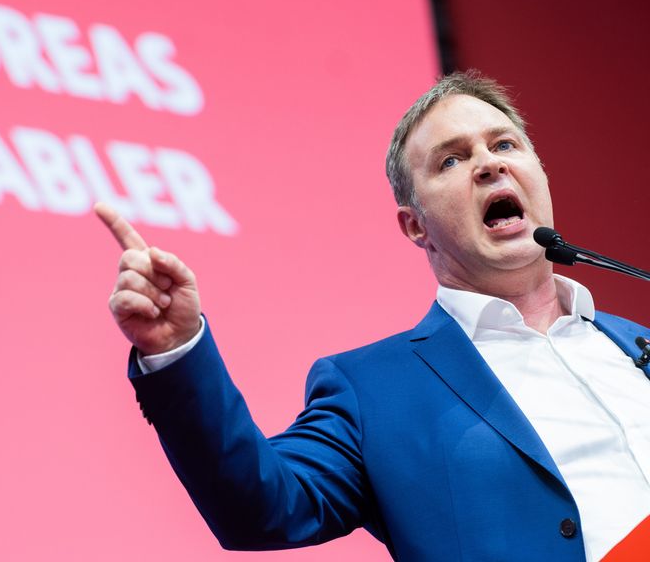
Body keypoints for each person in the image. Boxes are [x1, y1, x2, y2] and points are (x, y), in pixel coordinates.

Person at [94, 71, 650, 561]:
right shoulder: (374, 391)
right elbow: (262, 507)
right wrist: (177, 349)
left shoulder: (635, 345)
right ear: (415, 226)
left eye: (504, 143)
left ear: (541, 176)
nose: (489, 163)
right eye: (451, 160)